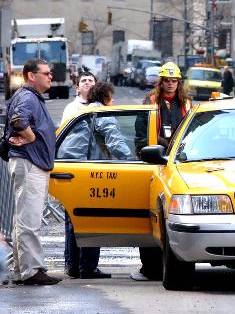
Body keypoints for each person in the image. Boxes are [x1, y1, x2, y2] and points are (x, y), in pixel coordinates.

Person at [63, 82, 131, 280]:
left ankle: (74, 266)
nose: (114, 101)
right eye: (112, 97)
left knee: (75, 221)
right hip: (85, 168)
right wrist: (131, 159)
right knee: (93, 217)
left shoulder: (87, 112)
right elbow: (114, 139)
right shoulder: (101, 113)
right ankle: (88, 267)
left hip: (71, 167)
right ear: (105, 98)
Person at [131, 62, 192, 281]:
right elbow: (140, 135)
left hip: (178, 164)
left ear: (179, 82)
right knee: (150, 217)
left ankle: (176, 263)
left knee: (171, 217)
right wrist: (155, 146)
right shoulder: (150, 102)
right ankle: (149, 268)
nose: (170, 84)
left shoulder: (186, 103)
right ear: (160, 81)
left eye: (174, 80)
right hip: (153, 162)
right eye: (166, 80)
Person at [5, 59, 60, 285]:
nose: (50, 77)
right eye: (46, 73)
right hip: (30, 163)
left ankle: (22, 270)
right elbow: (18, 119)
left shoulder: (28, 96)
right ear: (31, 75)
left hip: (29, 162)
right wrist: (31, 137)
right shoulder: (28, 97)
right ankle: (32, 271)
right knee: (30, 220)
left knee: (23, 220)